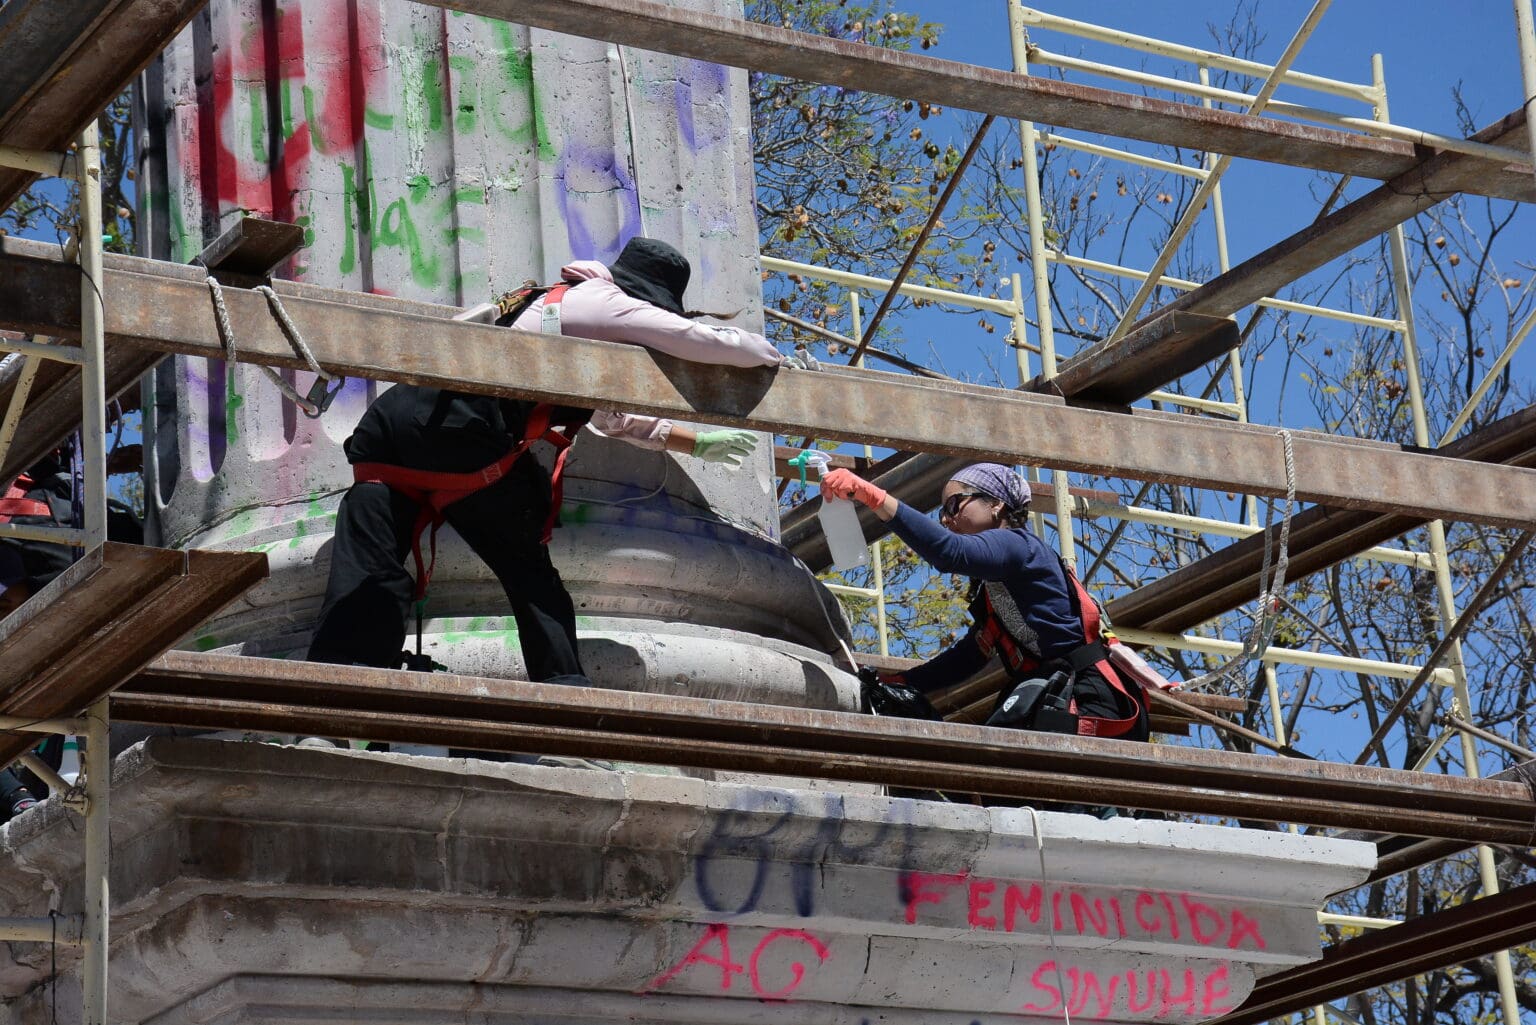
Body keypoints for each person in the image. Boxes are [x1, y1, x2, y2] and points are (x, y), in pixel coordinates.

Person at [306, 237, 792, 681]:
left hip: (389, 436)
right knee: (534, 579)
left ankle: (330, 705)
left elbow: (613, 419)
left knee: (368, 574)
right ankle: (565, 706)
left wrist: (695, 442)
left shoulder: (547, 303)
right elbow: (695, 340)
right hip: (464, 440)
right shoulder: (606, 304)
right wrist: (771, 357)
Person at [821, 462, 1149, 743]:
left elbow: (949, 552)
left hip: (1086, 700)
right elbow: (970, 656)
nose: (947, 520)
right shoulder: (995, 584)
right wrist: (900, 683)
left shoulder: (1019, 546)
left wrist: (874, 497)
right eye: (942, 512)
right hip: (1055, 696)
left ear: (996, 505)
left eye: (954, 506)